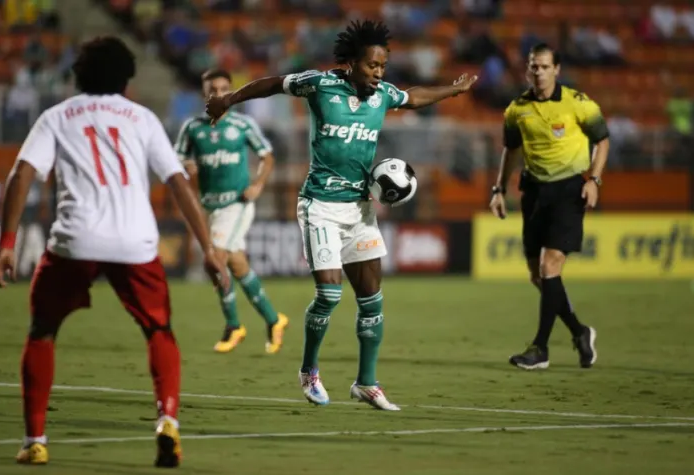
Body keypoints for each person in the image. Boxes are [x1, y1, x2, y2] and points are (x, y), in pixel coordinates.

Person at [206, 20, 477, 410]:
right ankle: (309, 372)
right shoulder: (319, 85)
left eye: (383, 66)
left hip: (360, 209)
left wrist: (454, 89)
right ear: (351, 63)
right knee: (330, 293)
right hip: (319, 205)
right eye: (372, 66)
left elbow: (413, 97)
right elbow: (272, 84)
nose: (379, 73)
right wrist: (228, 99)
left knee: (372, 301)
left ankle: (367, 383)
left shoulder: (383, 94)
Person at [0, 36, 231, 468]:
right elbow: (178, 182)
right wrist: (209, 248)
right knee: (159, 330)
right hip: (135, 242)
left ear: (77, 76)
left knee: (42, 330)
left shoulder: (57, 116)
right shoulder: (141, 118)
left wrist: (6, 246)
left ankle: (34, 440)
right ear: (127, 80)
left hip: (74, 239)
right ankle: (167, 421)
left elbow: (21, 174)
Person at [489, 43, 609, 371]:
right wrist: (499, 189)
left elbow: (602, 140)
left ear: (557, 69)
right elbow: (510, 151)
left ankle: (540, 348)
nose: (539, 72)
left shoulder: (577, 104)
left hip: (570, 190)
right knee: (537, 275)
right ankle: (580, 331)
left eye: (544, 67)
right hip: (534, 192)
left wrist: (593, 181)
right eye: (534, 67)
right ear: (528, 70)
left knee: (549, 266)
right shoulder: (517, 109)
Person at [175, 68, 289, 354]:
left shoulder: (243, 124)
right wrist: (186, 167)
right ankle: (275, 320)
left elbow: (267, 156)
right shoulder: (192, 128)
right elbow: (177, 159)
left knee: (216, 259)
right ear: (203, 92)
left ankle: (234, 325)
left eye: (224, 88)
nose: (219, 94)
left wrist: (259, 184)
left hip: (237, 203)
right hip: (209, 205)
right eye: (213, 89)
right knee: (237, 265)